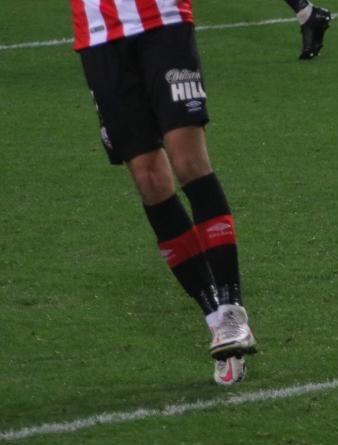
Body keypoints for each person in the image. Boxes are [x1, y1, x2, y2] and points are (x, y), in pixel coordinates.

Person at [71, 0, 256, 386]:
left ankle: (232, 309)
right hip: (99, 33)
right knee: (149, 179)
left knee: (188, 159)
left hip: (162, 21)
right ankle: (217, 324)